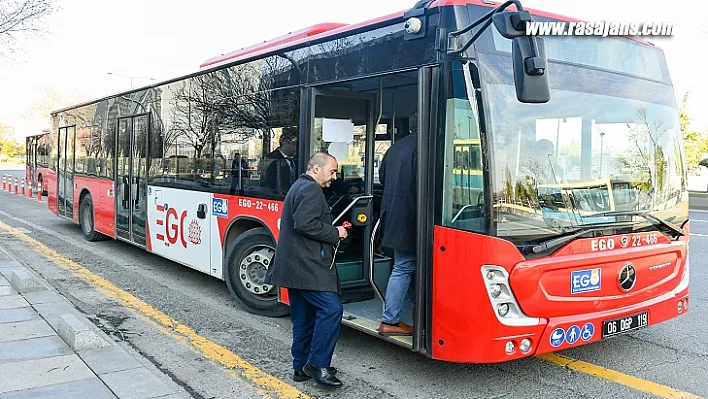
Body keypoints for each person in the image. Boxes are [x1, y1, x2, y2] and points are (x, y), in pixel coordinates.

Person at [264, 152, 349, 388]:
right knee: (331, 309)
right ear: (316, 169)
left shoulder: (299, 185)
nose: (334, 177)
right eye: (331, 171)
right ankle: (318, 364)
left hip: (294, 268)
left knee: (303, 319)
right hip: (307, 268)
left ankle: (299, 367)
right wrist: (336, 233)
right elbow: (305, 224)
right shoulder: (311, 190)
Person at [377, 111, 418, 336]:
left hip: (392, 215)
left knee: (407, 266)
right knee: (404, 267)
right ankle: (390, 320)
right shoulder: (427, 146)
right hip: (411, 219)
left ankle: (415, 310)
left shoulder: (395, 148)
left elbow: (383, 178)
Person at [262, 127, 299, 194]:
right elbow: (267, 184)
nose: (297, 147)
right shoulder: (271, 159)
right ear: (284, 142)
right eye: (294, 144)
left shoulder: (297, 159)